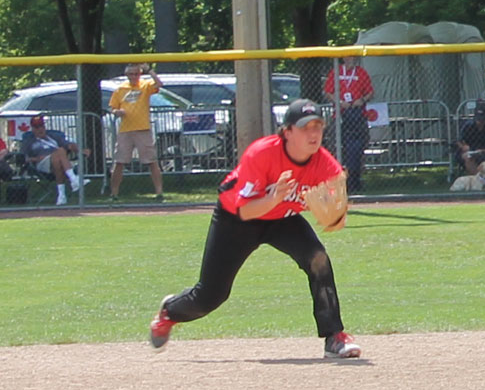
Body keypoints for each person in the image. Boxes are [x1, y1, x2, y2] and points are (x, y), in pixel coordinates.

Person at [148, 99, 362, 359]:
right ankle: (170, 312)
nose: (313, 133)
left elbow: (336, 206)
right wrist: (273, 199)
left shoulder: (325, 164)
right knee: (211, 296)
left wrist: (336, 217)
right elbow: (245, 210)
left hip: (282, 218)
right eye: (305, 127)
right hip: (237, 219)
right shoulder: (261, 153)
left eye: (318, 126)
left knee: (317, 258)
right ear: (287, 131)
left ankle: (334, 337)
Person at [108, 62, 164, 202]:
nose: (134, 77)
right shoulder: (120, 89)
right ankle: (114, 194)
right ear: (126, 75)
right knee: (119, 162)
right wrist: (117, 112)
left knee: (151, 161)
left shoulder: (145, 86)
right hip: (125, 130)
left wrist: (149, 70)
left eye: (136, 74)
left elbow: (159, 84)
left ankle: (159, 193)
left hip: (142, 129)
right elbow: (113, 108)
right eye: (131, 74)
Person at [323, 55, 375, 193]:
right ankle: (337, 180)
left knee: (358, 147)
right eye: (348, 57)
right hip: (340, 114)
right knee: (336, 147)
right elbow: (328, 92)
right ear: (343, 58)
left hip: (357, 114)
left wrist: (361, 100)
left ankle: (356, 179)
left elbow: (370, 92)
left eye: (353, 57)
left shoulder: (361, 72)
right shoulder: (336, 72)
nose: (350, 60)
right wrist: (339, 102)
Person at [20, 114, 90, 205]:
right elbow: (23, 158)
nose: (40, 129)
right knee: (60, 151)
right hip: (42, 163)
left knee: (58, 161)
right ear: (32, 129)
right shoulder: (29, 141)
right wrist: (37, 158)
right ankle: (73, 179)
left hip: (58, 162)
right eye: (37, 127)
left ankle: (61, 196)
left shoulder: (53, 136)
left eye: (42, 126)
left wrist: (81, 150)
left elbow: (68, 145)